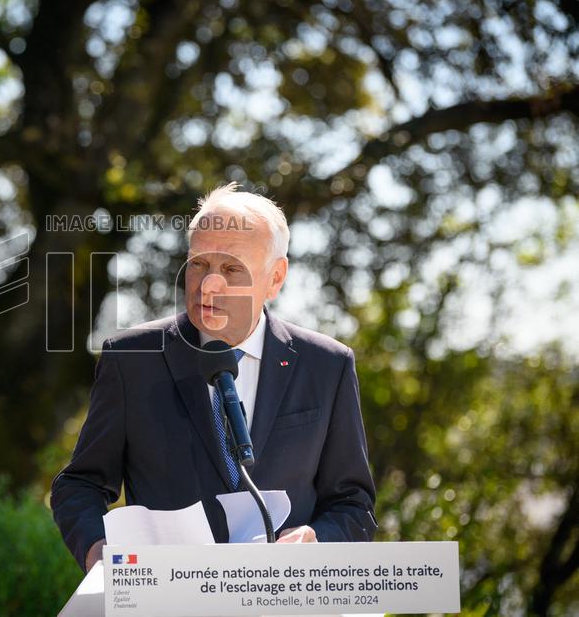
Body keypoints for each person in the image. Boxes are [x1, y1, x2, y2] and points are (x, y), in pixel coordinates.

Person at [51, 182, 377, 572]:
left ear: (275, 278)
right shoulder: (131, 360)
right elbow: (80, 485)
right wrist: (97, 552)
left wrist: (315, 540)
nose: (208, 285)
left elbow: (352, 505)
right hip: (166, 600)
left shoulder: (327, 365)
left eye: (231, 268)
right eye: (199, 264)